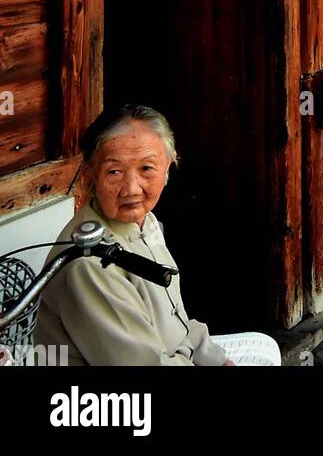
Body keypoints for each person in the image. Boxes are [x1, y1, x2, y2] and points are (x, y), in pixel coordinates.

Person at [35, 105, 281, 366]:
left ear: (169, 166)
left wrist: (216, 359)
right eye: (114, 171)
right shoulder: (88, 265)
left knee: (264, 349)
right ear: (90, 175)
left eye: (146, 168)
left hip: (172, 351)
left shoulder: (142, 220)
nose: (131, 189)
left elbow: (176, 318)